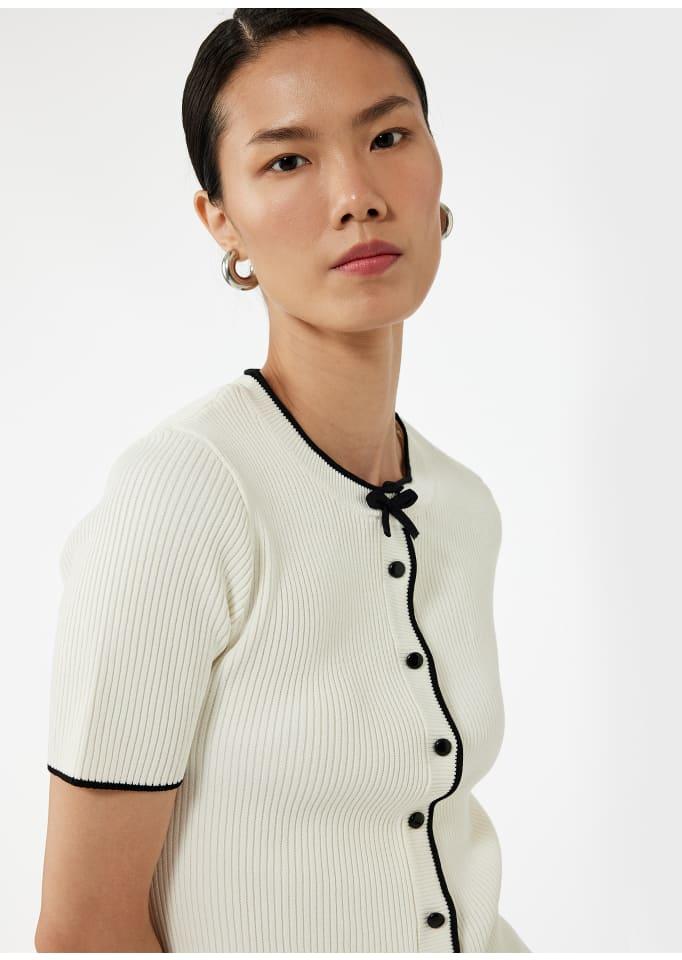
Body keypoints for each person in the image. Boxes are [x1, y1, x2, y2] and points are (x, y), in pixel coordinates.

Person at [35, 8, 530, 954]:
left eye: (389, 138)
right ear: (220, 218)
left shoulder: (462, 505)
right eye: (288, 160)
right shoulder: (183, 497)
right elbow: (85, 931)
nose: (357, 196)